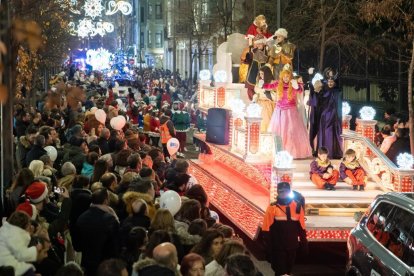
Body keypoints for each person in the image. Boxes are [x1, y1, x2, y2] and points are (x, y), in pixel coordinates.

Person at [264, 67, 312, 158]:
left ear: (290, 77)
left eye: (288, 76)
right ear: (282, 77)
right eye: (284, 76)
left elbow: (300, 91)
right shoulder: (278, 84)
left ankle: (291, 152)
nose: (286, 78)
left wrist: (297, 86)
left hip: (291, 111)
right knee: (278, 131)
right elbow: (269, 87)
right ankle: (278, 151)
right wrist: (263, 85)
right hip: (279, 111)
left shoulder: (293, 84)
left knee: (291, 131)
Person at [262, 182, 307, 276]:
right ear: (278, 192)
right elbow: (266, 230)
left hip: (292, 247)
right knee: (281, 272)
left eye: (286, 191)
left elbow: (302, 227)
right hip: (278, 248)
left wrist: (304, 244)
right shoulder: (272, 208)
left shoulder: (297, 206)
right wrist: (268, 249)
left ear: (289, 192)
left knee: (288, 271)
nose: (283, 194)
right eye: (281, 191)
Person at [76, 188, 120, 275]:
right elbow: (116, 243)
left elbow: (78, 243)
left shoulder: (81, 218)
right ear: (106, 201)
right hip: (105, 265)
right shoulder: (110, 219)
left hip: (86, 262)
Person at [308, 68, 343, 158]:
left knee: (332, 134)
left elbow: (338, 106)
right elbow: (315, 95)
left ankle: (332, 153)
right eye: (329, 81)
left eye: (332, 81)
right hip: (324, 118)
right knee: (324, 133)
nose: (330, 83)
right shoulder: (323, 92)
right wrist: (311, 76)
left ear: (335, 82)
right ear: (326, 82)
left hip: (334, 118)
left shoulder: (337, 92)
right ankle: (322, 153)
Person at [245, 35, 268, 101]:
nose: (258, 45)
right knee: (251, 86)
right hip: (254, 70)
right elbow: (248, 59)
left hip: (263, 69)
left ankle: (262, 99)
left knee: (263, 86)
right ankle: (253, 99)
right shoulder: (253, 50)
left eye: (260, 43)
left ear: (263, 43)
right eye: (257, 44)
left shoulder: (267, 50)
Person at [253, 65, 276, 132]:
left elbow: (275, 95)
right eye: (260, 73)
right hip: (259, 104)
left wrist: (266, 90)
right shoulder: (259, 82)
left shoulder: (273, 82)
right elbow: (257, 91)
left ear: (267, 74)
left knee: (267, 122)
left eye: (262, 73)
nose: (261, 75)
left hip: (268, 105)